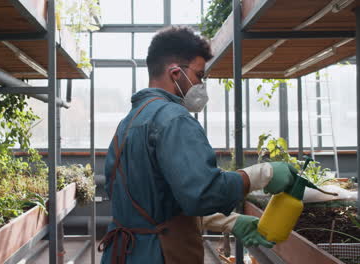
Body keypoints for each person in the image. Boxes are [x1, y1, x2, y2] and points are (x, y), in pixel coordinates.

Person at [98, 26, 297, 264]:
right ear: (175, 73)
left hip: (125, 253)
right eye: (200, 76)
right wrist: (262, 174)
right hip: (159, 253)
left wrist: (227, 221)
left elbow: (154, 198)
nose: (201, 85)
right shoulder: (174, 118)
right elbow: (201, 193)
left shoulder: (130, 121)